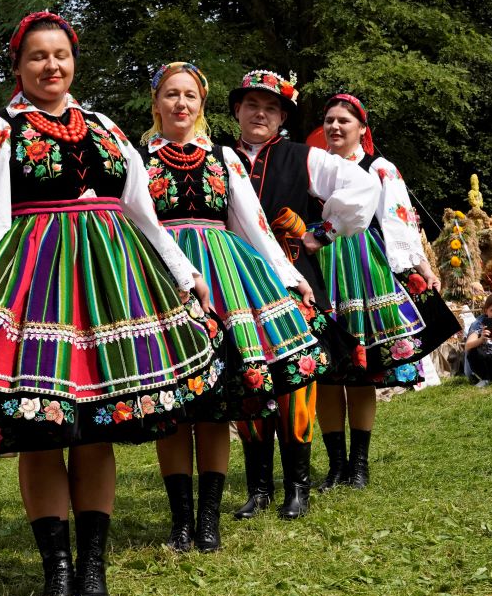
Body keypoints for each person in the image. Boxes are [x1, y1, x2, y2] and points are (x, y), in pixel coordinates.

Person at [0, 13, 223, 596]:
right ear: (17, 66)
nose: (51, 66)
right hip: (34, 292)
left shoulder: (109, 130)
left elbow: (143, 215)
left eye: (61, 55)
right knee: (41, 432)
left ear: (74, 61)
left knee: (95, 433)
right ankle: (56, 568)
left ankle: (93, 567)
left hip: (113, 294)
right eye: (38, 57)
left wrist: (185, 274)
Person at [139, 62, 331, 552]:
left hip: (223, 281)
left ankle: (209, 521)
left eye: (190, 96)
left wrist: (289, 277)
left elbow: (255, 228)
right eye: (171, 95)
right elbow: (133, 223)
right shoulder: (137, 159)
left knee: (216, 405)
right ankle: (181, 521)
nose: (181, 104)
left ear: (202, 106)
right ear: (157, 102)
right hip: (162, 279)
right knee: (175, 403)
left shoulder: (224, 157)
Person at [227, 70, 378, 520]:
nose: (260, 114)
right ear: (237, 110)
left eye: (271, 108)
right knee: (248, 378)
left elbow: (362, 185)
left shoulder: (302, 156)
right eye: (252, 105)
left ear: (282, 117)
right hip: (235, 279)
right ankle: (258, 488)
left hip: (292, 278)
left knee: (298, 377)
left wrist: (322, 232)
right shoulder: (217, 158)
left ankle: (298, 485)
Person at [309, 93, 460, 492]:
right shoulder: (313, 166)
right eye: (329, 120)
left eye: (344, 120)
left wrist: (420, 266)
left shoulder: (379, 167)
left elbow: (399, 222)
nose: (335, 127)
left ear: (362, 128)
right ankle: (335, 465)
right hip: (321, 267)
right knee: (326, 372)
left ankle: (358, 465)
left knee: (360, 372)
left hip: (365, 268)